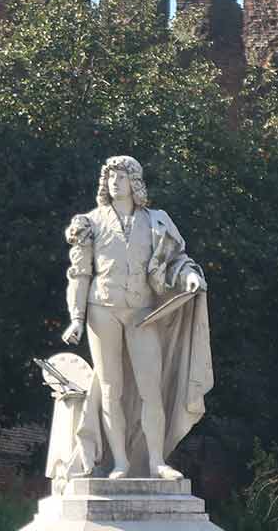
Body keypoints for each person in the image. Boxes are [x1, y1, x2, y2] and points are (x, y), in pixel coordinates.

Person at [59, 155, 213, 481]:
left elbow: (177, 260)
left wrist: (189, 277)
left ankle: (157, 461)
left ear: (134, 182)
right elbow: (80, 274)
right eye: (110, 177)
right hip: (102, 311)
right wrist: (75, 317)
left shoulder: (156, 221)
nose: (114, 183)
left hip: (145, 313)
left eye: (121, 177)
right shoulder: (90, 222)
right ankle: (120, 463)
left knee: (150, 388)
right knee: (111, 388)